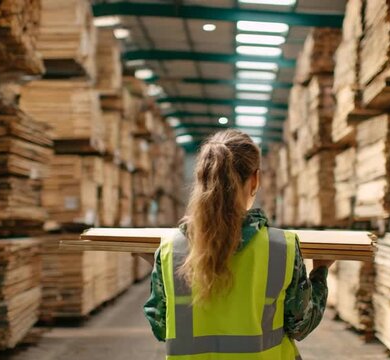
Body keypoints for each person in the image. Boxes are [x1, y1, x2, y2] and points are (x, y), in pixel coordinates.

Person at [142, 129, 333, 359]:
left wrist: (157, 266)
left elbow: (161, 327)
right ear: (255, 180)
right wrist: (320, 271)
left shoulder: (171, 250)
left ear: (202, 179)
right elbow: (300, 325)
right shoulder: (282, 248)